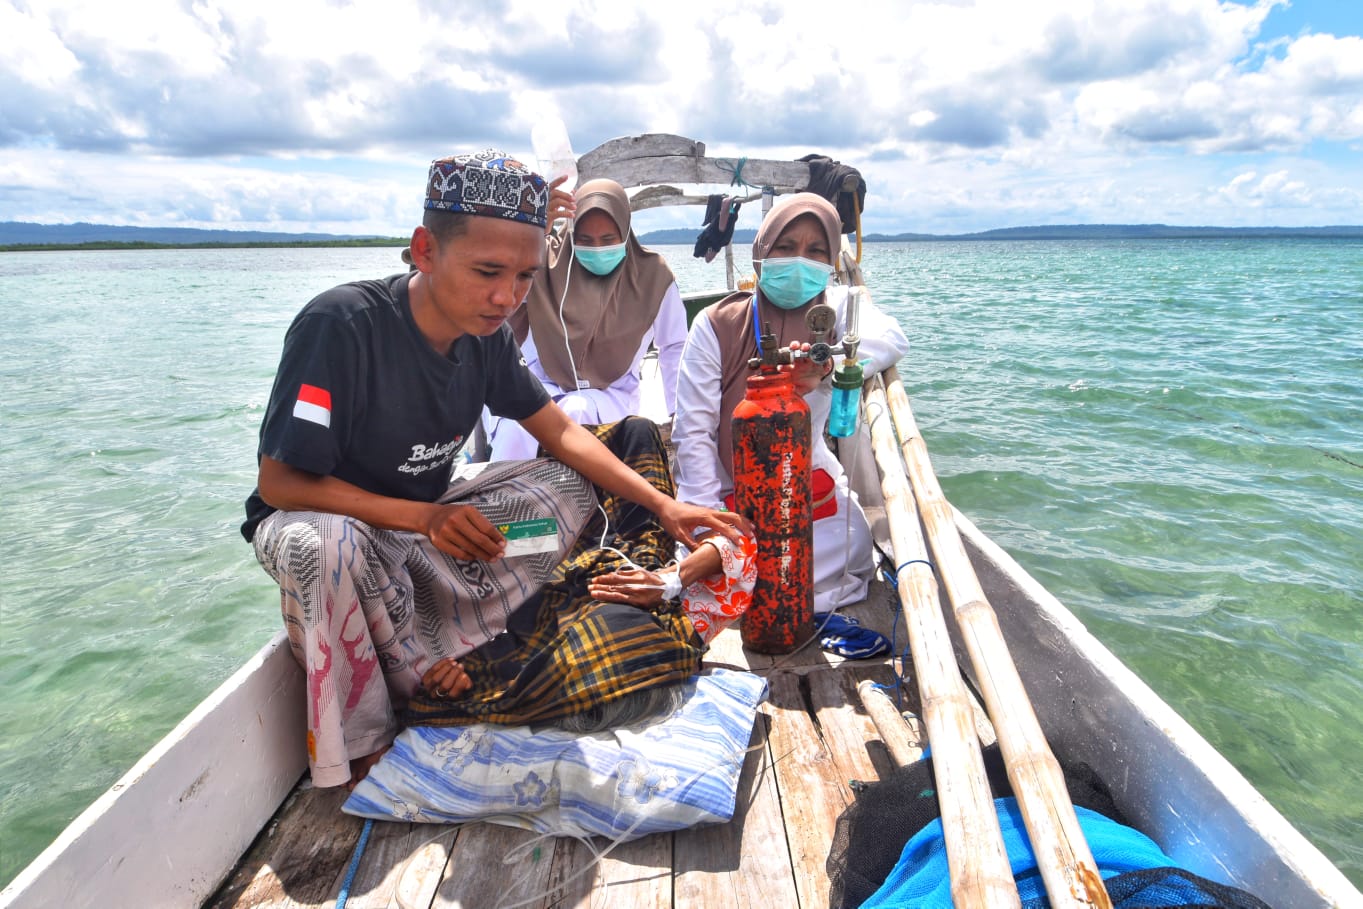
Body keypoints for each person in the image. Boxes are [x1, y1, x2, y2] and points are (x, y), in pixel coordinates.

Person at [241, 149, 744, 789]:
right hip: (347, 534)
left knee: (567, 490)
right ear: (424, 250)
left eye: (526, 278)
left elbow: (558, 432)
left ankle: (434, 639)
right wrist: (424, 515)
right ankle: (371, 727)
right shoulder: (341, 326)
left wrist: (666, 506)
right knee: (324, 546)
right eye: (487, 272)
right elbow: (280, 485)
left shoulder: (486, 338)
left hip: (422, 540)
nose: (506, 298)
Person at [671, 192, 910, 617]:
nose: (799, 260)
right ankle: (756, 577)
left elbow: (893, 338)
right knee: (712, 554)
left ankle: (749, 587)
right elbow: (694, 433)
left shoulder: (836, 314)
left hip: (803, 492)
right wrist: (711, 524)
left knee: (853, 542)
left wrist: (828, 367)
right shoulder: (716, 325)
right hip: (728, 493)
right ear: (761, 253)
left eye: (815, 251)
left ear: (832, 260)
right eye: (785, 247)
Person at [484, 178, 688, 460]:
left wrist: (679, 414)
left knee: (577, 412)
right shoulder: (545, 261)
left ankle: (574, 501)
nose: (597, 249)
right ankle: (502, 502)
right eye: (584, 240)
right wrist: (536, 228)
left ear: (625, 232)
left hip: (611, 393)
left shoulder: (653, 277)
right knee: (516, 427)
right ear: (570, 234)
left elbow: (674, 347)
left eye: (608, 240)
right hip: (543, 383)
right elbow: (503, 281)